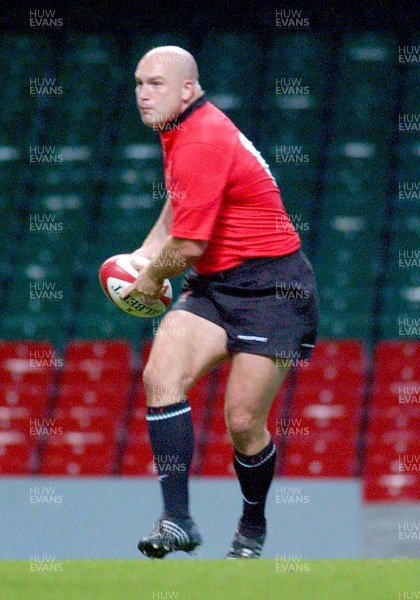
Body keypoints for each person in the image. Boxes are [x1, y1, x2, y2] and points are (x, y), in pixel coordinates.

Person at [120, 45, 319, 559]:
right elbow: (180, 199)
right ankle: (177, 520)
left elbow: (188, 247)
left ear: (189, 88)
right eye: (139, 83)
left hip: (274, 289)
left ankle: (251, 528)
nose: (144, 94)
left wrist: (147, 283)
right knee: (160, 377)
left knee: (243, 422)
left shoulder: (201, 136)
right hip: (214, 288)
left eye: (156, 84)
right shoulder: (179, 129)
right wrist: (147, 249)